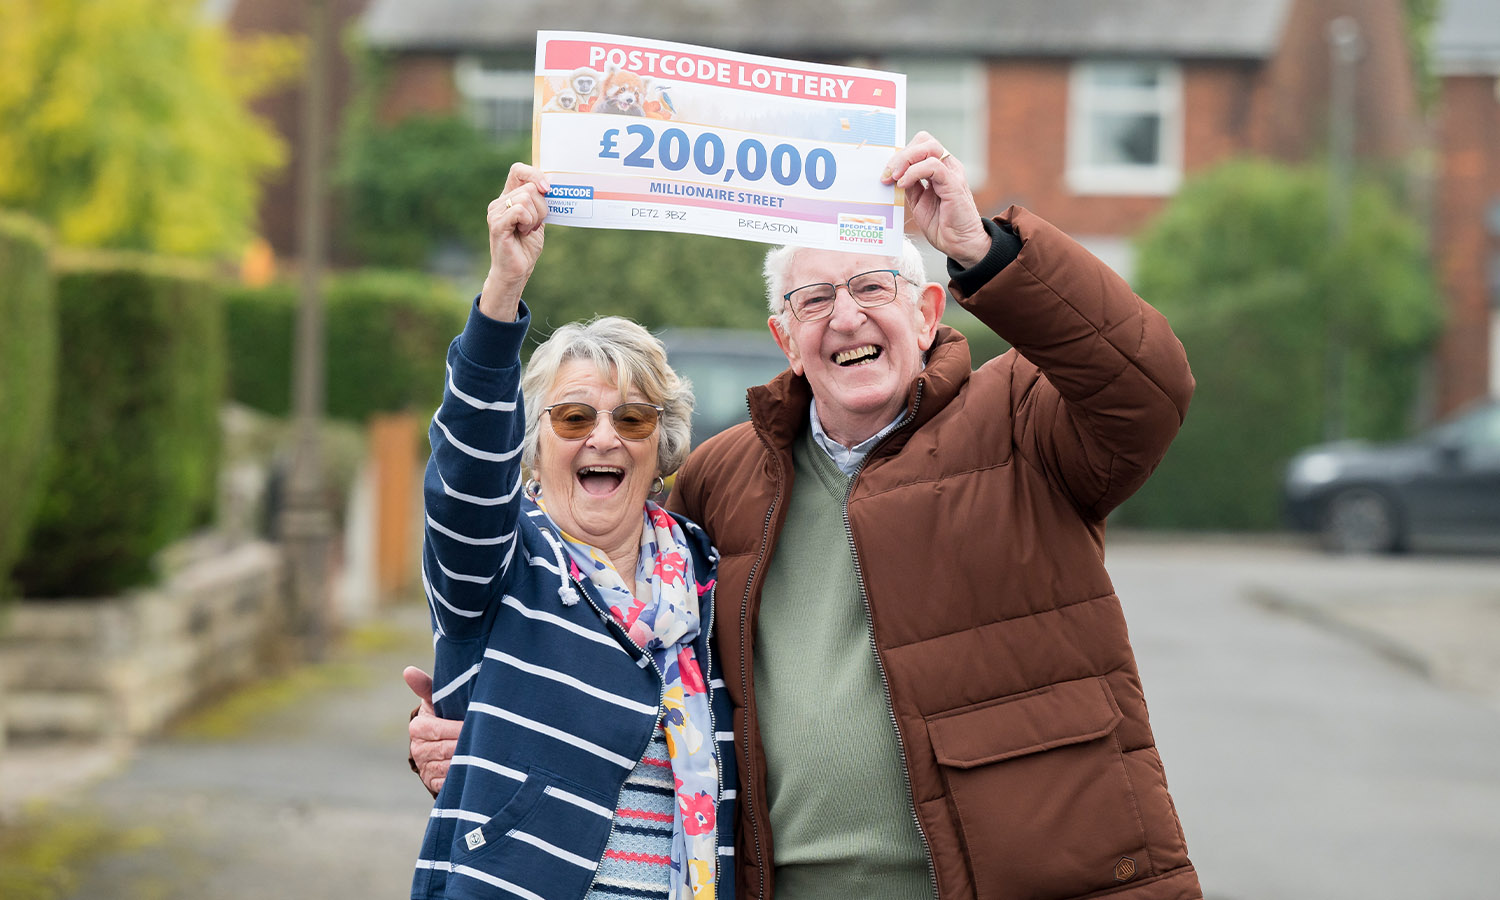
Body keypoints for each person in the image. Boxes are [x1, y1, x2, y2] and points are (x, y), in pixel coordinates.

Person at [410, 131, 1202, 900]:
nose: (846, 317)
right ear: (786, 339)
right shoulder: (724, 485)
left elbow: (1146, 388)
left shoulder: (1022, 419)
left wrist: (983, 247)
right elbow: (601, 636)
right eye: (815, 298)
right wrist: (477, 730)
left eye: (870, 288)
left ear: (927, 312)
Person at [406, 165, 736, 900]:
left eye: (632, 419)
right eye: (575, 417)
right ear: (534, 441)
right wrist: (502, 294)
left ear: (662, 446)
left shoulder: (705, 576)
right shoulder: (500, 561)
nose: (604, 439)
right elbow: (463, 476)